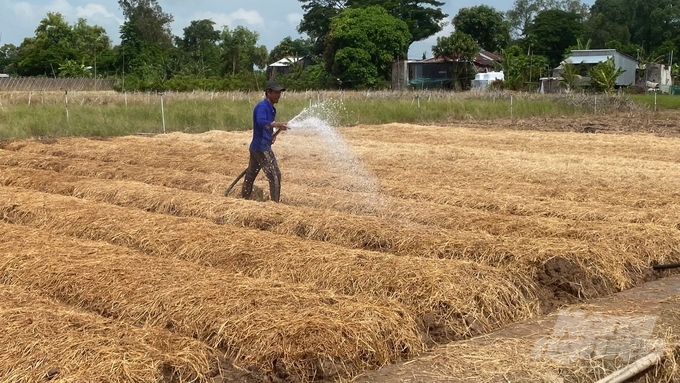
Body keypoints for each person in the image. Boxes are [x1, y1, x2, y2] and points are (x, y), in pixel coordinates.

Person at [241, 81, 289, 202]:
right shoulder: (262, 107)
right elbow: (261, 122)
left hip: (258, 146)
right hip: (261, 148)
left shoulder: (272, 109)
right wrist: (277, 124)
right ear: (268, 92)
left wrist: (274, 134)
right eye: (276, 92)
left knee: (250, 175)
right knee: (275, 175)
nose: (279, 95)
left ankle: (244, 199)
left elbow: (266, 127)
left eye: (280, 92)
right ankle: (275, 203)